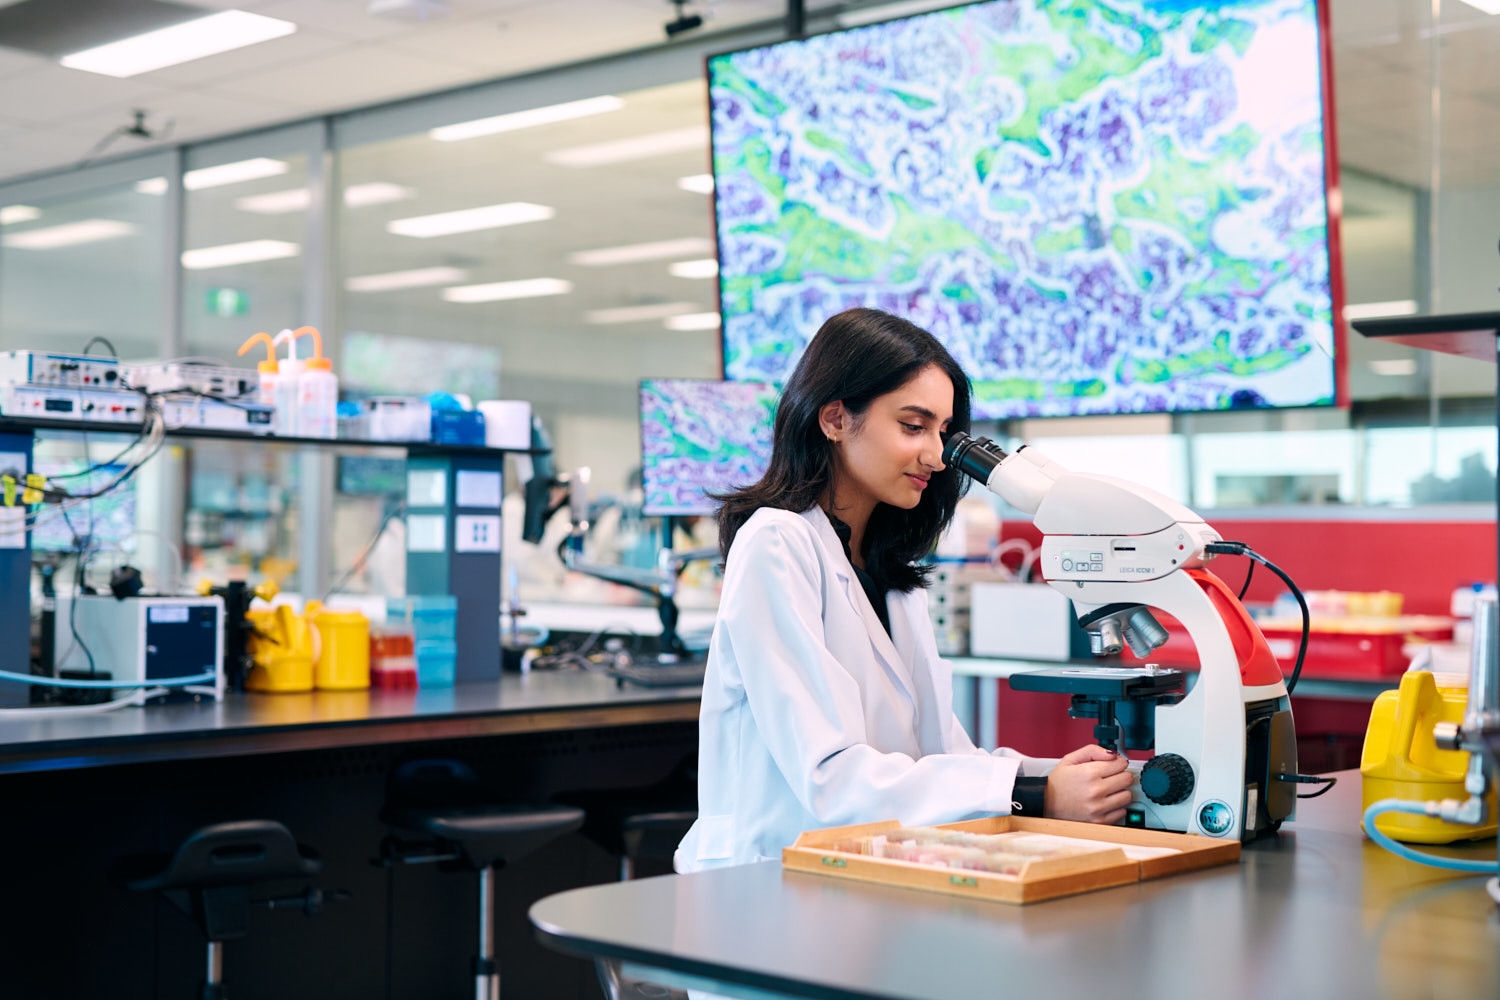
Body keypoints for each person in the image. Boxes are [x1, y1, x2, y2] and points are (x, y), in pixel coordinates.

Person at [675, 307, 1134, 872]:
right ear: (836, 418)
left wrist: (1064, 778)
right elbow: (830, 781)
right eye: (913, 427)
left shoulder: (893, 575)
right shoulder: (777, 543)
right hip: (769, 881)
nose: (937, 456)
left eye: (943, 432)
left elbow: (942, 757)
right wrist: (1034, 795)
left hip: (871, 879)